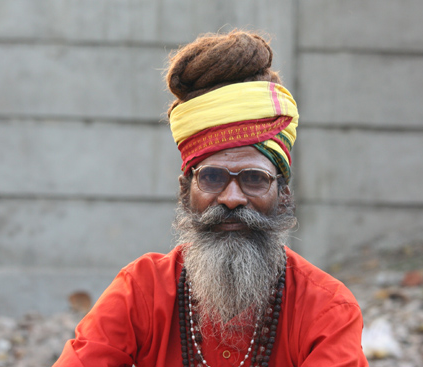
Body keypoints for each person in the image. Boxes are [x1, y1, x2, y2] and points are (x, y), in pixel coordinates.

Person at [53, 30, 368, 367]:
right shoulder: (141, 290)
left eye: (254, 179)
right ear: (186, 191)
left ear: (284, 196)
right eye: (212, 177)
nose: (232, 198)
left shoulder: (327, 307)